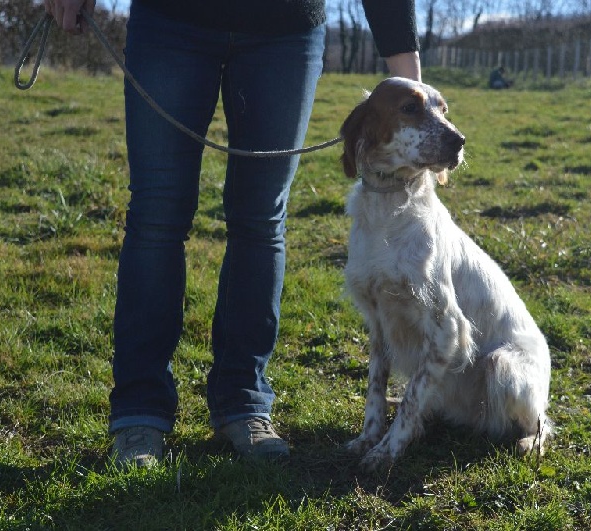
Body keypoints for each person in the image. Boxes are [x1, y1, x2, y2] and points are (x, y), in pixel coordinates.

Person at [45, 0, 422, 467]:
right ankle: (139, 411)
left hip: (284, 30)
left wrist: (410, 76)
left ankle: (243, 402)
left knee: (261, 219)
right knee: (156, 215)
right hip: (170, 21)